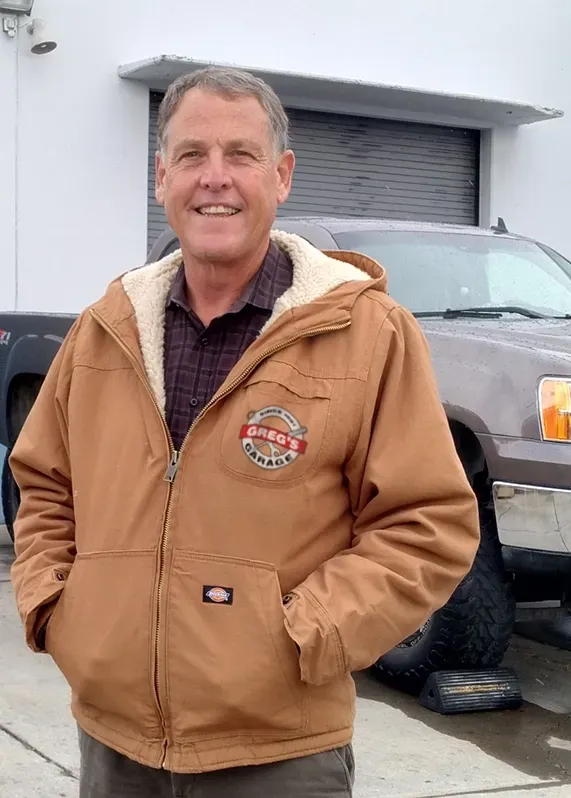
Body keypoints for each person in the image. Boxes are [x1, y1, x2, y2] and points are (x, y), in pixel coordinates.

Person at [10, 66, 480, 798]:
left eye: (241, 154)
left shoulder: (367, 334)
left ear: (282, 175)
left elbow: (426, 523)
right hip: (114, 746)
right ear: (162, 177)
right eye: (192, 155)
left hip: (279, 754)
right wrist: (59, 608)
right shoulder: (105, 331)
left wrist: (303, 635)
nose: (215, 178)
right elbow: (44, 483)